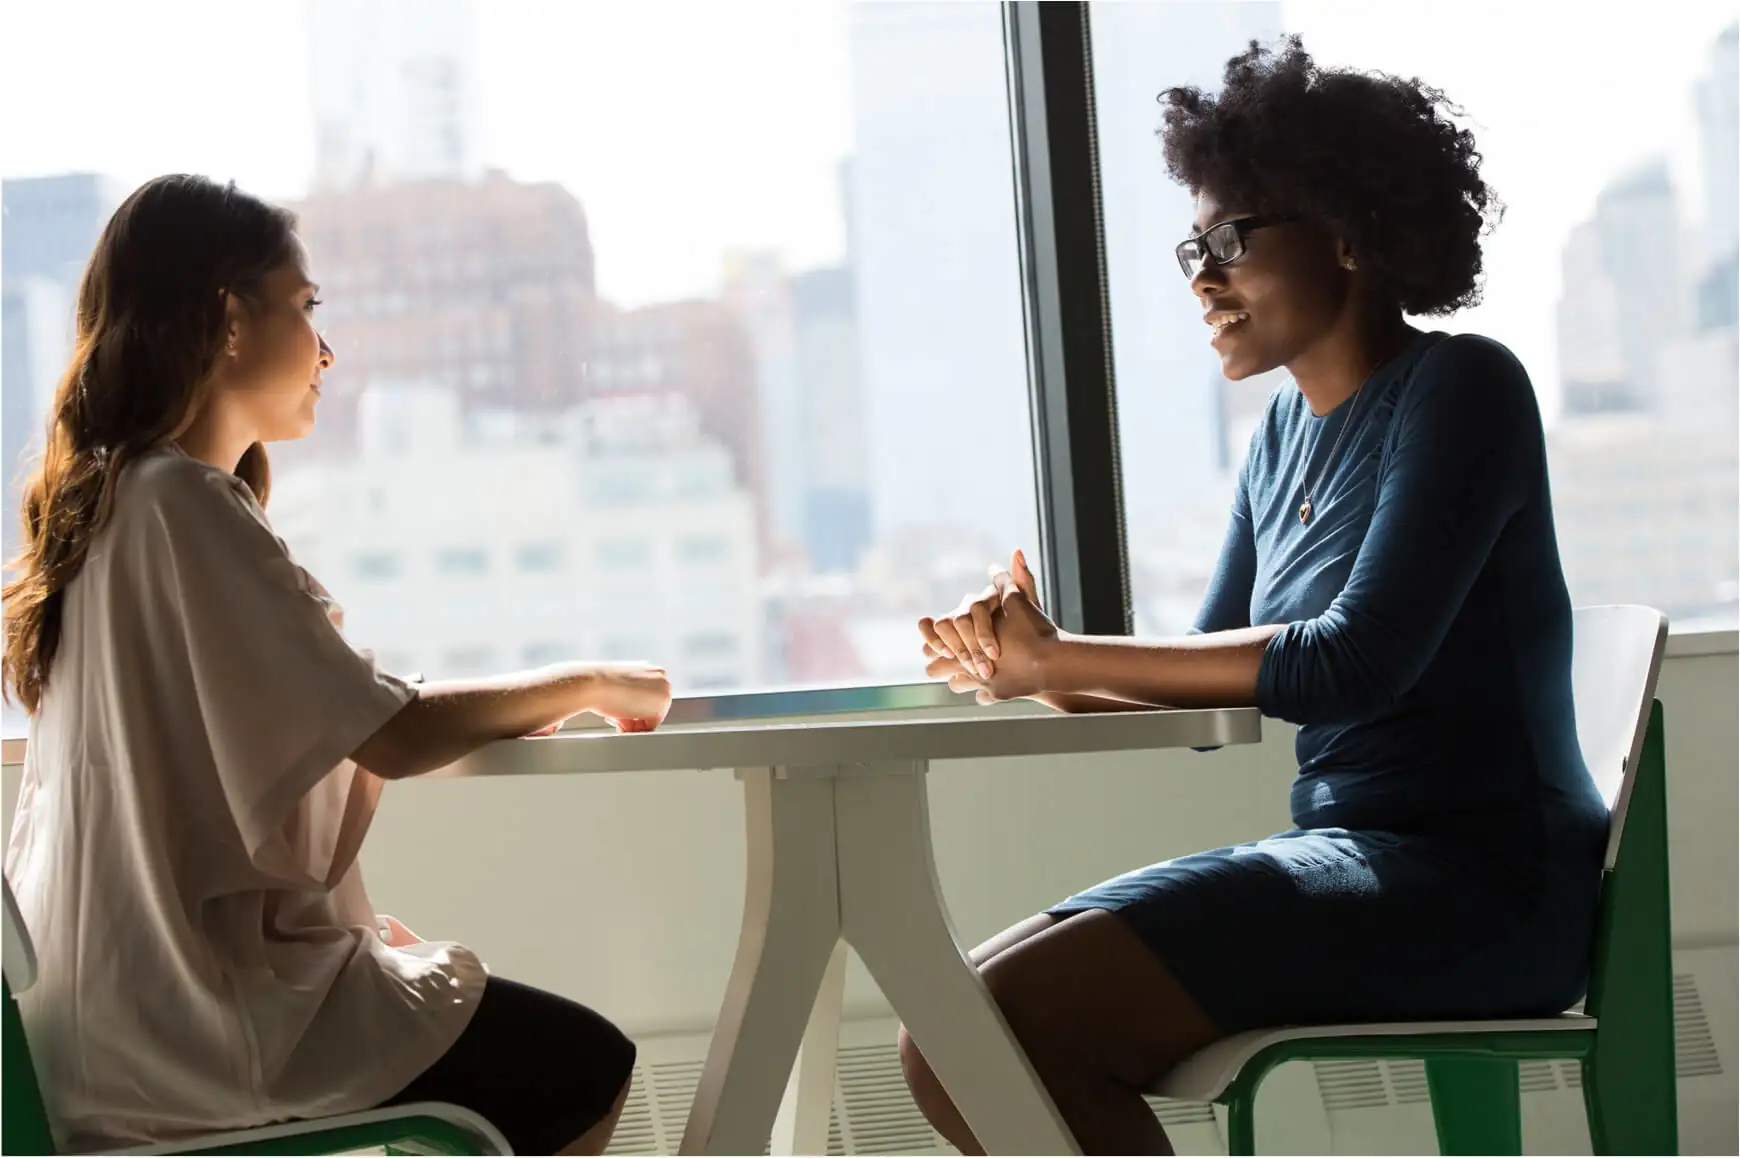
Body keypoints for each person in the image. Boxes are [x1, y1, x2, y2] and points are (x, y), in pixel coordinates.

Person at [903, 37, 1609, 1156]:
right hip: (1347, 861)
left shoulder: (1463, 388)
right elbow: (1206, 706)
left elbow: (1353, 662)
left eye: (1230, 238)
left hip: (1482, 888)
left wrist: (1066, 656)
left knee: (993, 1032)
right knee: (950, 1036)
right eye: (1194, 244)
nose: (1201, 274)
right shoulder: (1279, 439)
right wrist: (1022, 672)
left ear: (1345, 231)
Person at [2, 174, 673, 1156]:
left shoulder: (105, 509)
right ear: (229, 318)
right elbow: (391, 732)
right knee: (583, 1065)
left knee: (506, 1045)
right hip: (189, 1031)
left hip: (94, 1027)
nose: (327, 348)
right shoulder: (182, 506)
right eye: (307, 307)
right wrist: (594, 682)